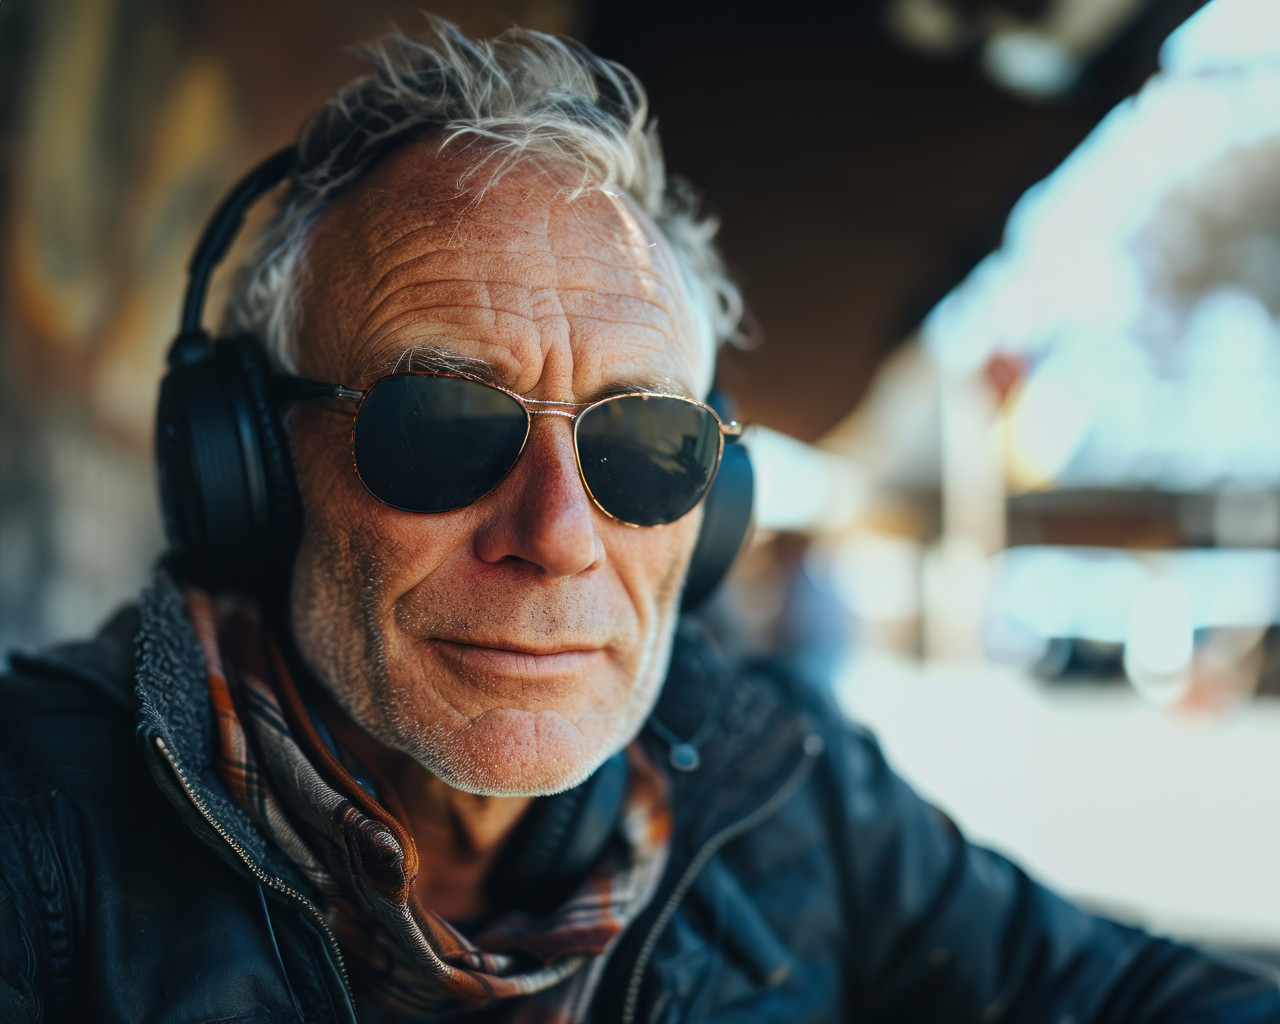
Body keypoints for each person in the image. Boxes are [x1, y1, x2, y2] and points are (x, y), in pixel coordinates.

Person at [1, 19, 1277, 1024]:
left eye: (645, 447)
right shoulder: (34, 838)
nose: (558, 532)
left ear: (711, 514)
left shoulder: (789, 786)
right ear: (247, 471)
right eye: (440, 423)